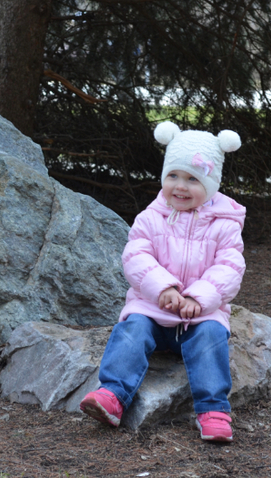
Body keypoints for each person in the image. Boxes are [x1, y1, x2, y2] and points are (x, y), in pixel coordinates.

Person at [79, 121, 246, 442]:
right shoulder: (150, 217)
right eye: (173, 176)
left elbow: (229, 267)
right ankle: (112, 394)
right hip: (153, 309)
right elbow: (136, 256)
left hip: (200, 315)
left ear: (211, 184)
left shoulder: (225, 224)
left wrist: (199, 298)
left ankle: (213, 409)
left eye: (192, 179)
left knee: (211, 338)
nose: (180, 186)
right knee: (132, 331)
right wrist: (163, 288)